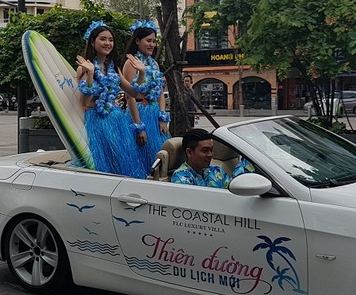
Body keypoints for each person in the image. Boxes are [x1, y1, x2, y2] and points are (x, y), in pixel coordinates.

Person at [75, 20, 147, 177]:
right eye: (103, 39)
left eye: (110, 40)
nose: (107, 43)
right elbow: (84, 102)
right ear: (93, 42)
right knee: (105, 164)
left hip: (116, 119)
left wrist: (141, 73)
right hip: (97, 121)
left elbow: (133, 93)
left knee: (123, 161)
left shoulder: (113, 68)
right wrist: (90, 75)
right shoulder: (84, 67)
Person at [123, 20, 170, 176]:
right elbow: (130, 96)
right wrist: (139, 126)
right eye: (148, 41)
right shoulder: (130, 64)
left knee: (159, 155)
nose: (152, 44)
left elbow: (160, 93)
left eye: (154, 41)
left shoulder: (155, 64)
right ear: (137, 41)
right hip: (139, 113)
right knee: (140, 158)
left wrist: (163, 116)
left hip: (154, 114)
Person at [171, 128, 254, 188]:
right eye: (205, 150)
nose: (210, 155)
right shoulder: (181, 179)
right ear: (189, 152)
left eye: (211, 150)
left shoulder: (216, 171)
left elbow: (233, 190)